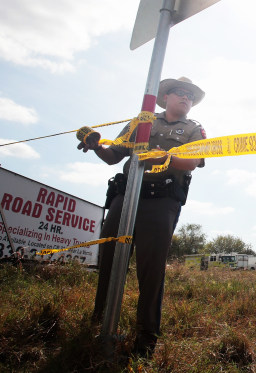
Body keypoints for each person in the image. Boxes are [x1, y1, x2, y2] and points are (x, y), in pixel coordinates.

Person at [79, 77, 206, 357]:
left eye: (190, 96)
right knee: (110, 258)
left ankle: (145, 337)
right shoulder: (143, 121)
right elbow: (114, 154)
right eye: (180, 93)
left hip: (161, 200)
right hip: (126, 196)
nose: (186, 98)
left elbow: (193, 162)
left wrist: (166, 158)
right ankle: (99, 322)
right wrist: (97, 145)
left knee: (151, 269)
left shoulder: (194, 129)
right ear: (166, 97)